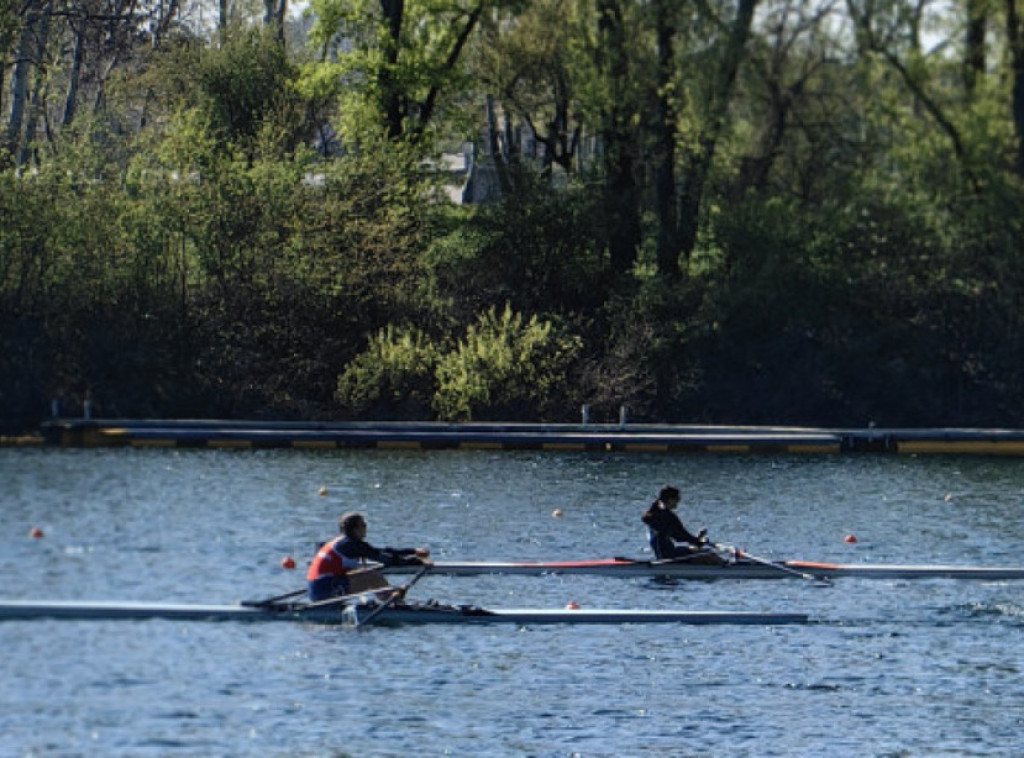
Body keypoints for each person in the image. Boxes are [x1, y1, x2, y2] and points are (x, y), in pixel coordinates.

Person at [306, 511, 430, 602]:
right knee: (373, 576)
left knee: (367, 573)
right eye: (363, 525)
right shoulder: (350, 545)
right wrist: (417, 562)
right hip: (326, 590)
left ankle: (391, 599)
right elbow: (385, 559)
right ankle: (393, 602)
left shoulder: (338, 542)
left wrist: (412, 551)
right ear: (355, 529)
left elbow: (380, 551)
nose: (366, 528)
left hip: (317, 589)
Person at [641, 485, 709, 560]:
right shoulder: (666, 516)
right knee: (710, 556)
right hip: (669, 556)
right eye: (677, 499)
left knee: (695, 549)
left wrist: (697, 540)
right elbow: (682, 535)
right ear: (670, 500)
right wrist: (699, 541)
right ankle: (722, 569)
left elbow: (679, 537)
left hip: (668, 553)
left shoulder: (655, 513)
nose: (678, 502)